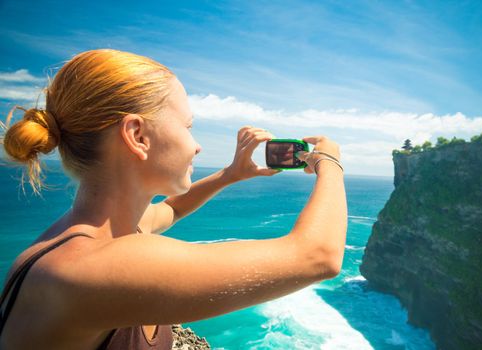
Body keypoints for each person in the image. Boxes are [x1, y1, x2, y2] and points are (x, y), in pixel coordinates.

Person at [0, 49, 347, 349]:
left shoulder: (90, 235)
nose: (196, 145)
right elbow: (318, 256)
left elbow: (170, 208)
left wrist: (230, 175)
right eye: (188, 127)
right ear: (138, 135)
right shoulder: (90, 269)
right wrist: (330, 163)